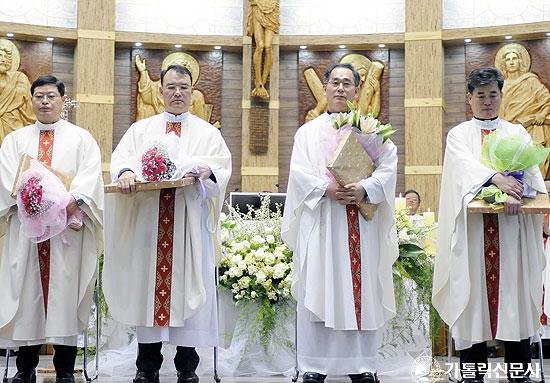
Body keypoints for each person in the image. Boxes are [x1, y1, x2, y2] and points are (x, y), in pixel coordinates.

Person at [103, 64, 231, 383]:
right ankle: (147, 367)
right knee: (149, 293)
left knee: (190, 293)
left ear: (192, 91)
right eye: (171, 87)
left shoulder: (207, 133)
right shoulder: (140, 130)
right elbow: (121, 162)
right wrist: (126, 174)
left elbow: (221, 169)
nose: (177, 93)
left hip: (188, 228)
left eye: (183, 87)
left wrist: (205, 171)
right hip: (150, 225)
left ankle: (187, 367)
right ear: (160, 91)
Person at [282, 63, 398, 383]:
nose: (340, 89)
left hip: (360, 222)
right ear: (325, 87)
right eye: (335, 82)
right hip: (322, 220)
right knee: (319, 288)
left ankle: (361, 364)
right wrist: (326, 189)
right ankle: (313, 364)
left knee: (360, 293)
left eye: (347, 83)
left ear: (357, 91)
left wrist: (363, 188)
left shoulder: (372, 130)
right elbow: (299, 173)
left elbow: (387, 168)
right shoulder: (307, 132)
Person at [433, 67, 547, 383]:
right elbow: (463, 171)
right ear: (470, 99)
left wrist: (519, 191)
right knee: (472, 302)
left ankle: (519, 372)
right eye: (480, 95)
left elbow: (532, 178)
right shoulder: (458, 135)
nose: (487, 101)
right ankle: (472, 372)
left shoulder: (517, 133)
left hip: (511, 233)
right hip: (473, 235)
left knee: (514, 296)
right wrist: (497, 178)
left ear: (500, 96)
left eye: (492, 95)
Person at [0, 75, 104, 383]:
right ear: (31, 101)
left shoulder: (81, 138)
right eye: (39, 97)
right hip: (27, 233)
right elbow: (7, 181)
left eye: (51, 96)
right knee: (27, 296)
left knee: (65, 299)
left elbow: (89, 176)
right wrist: (28, 201)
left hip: (65, 233)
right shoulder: (15, 140)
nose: (45, 102)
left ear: (63, 100)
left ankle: (65, 372)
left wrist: (71, 200)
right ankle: (25, 369)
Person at [495, 43, 550, 178]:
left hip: (533, 127)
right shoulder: (502, 87)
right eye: (508, 60)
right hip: (510, 130)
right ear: (504, 64)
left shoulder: (531, 81)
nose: (512, 62)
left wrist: (542, 114)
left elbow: (546, 99)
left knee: (536, 161)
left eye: (514, 58)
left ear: (520, 61)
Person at [0, 39, 35, 142]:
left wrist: (12, 93)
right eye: (0, 56)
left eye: (6, 57)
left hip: (12, 120)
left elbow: (26, 95)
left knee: (13, 148)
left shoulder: (19, 77)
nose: (3, 60)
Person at [246, 0, 280, 99]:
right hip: (257, 7)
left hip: (272, 8)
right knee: (260, 46)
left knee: (268, 46)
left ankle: (261, 85)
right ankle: (259, 83)